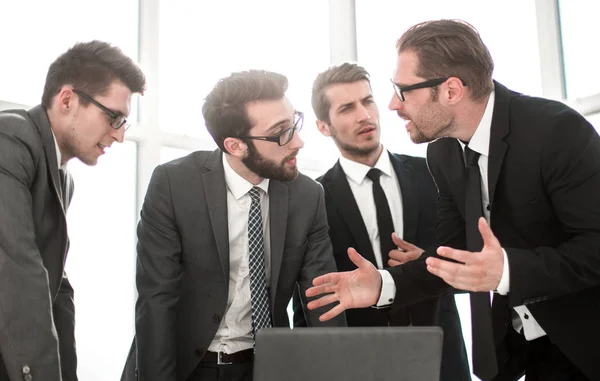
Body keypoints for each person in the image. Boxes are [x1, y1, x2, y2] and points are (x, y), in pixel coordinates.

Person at [305, 19, 600, 381]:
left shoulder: (556, 131)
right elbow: (449, 255)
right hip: (529, 351)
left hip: (587, 344)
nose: (392, 105)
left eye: (403, 90)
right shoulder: (443, 153)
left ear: (451, 90)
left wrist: (507, 271)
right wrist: (384, 284)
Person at [122, 70, 346, 381]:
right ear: (235, 145)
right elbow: (156, 299)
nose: (298, 141)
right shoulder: (173, 185)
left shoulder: (308, 196)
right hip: (183, 365)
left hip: (265, 367)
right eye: (281, 132)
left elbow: (322, 300)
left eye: (294, 123)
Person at [291, 62, 470, 381]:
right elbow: (309, 303)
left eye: (367, 101)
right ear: (323, 126)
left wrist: (429, 263)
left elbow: (476, 264)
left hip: (442, 360)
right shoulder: (311, 199)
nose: (364, 115)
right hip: (355, 367)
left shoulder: (434, 173)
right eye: (347, 108)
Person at [0, 41, 146, 381]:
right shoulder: (11, 139)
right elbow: (19, 271)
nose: (119, 136)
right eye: (114, 117)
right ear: (67, 100)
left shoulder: (60, 178)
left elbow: (55, 289)